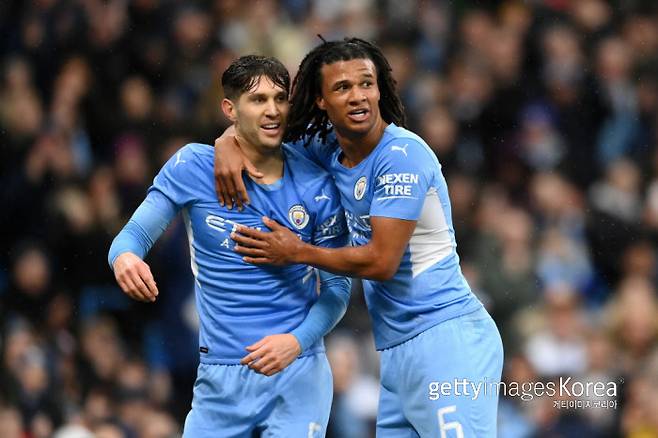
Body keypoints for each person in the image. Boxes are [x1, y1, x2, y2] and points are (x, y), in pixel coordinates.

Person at [214, 38, 504, 437]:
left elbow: (382, 262)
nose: (358, 97)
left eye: (366, 84)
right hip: (396, 349)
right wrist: (226, 142)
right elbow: (260, 138)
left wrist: (298, 251)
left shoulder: (403, 156)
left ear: (380, 88)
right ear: (320, 100)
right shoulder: (330, 150)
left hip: (447, 340)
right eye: (342, 88)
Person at [108, 55, 351, 438]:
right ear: (230, 108)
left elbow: (338, 289)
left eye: (280, 99)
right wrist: (124, 257)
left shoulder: (316, 186)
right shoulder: (192, 167)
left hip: (298, 372)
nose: (272, 110)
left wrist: (296, 342)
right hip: (221, 379)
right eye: (258, 100)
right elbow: (134, 234)